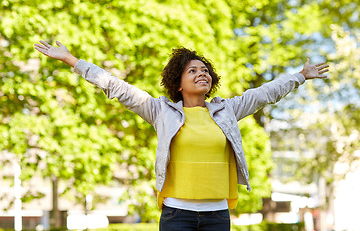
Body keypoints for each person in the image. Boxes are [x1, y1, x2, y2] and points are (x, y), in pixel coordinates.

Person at [34, 40, 329, 231]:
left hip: (217, 216)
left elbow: (265, 94)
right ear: (178, 83)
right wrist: (71, 60)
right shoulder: (160, 112)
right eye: (193, 71)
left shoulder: (229, 110)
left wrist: (300, 75)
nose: (202, 74)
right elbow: (116, 86)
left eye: (205, 70)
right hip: (177, 215)